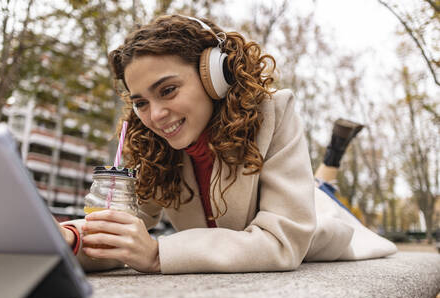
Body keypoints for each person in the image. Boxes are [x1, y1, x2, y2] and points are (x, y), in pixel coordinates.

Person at [58, 14, 396, 274]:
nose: (155, 115)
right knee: (320, 183)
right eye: (141, 102)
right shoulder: (154, 145)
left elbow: (282, 242)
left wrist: (159, 254)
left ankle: (332, 161)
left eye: (168, 90)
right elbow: (119, 232)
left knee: (323, 190)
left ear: (214, 76)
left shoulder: (274, 112)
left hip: (322, 218)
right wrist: (71, 239)